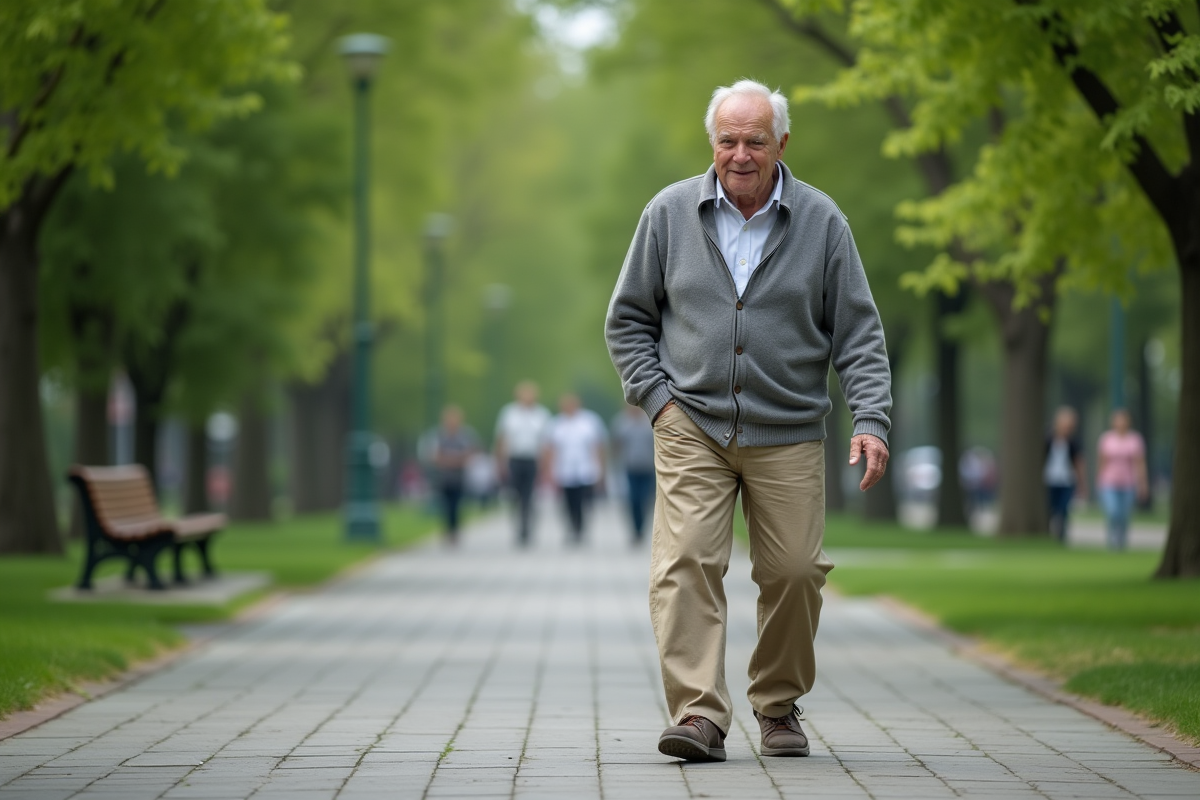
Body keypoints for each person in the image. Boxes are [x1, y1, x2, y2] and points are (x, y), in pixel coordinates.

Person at [605, 79, 891, 763]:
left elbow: (858, 333)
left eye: (754, 140)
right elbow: (628, 321)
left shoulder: (823, 223)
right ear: (713, 142)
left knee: (795, 571)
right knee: (684, 565)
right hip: (692, 425)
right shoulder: (669, 214)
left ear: (781, 144)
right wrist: (660, 403)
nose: (740, 153)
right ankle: (699, 714)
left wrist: (871, 419)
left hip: (789, 429)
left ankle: (777, 701)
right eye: (728, 139)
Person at [541, 393, 607, 544]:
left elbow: (598, 446)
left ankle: (581, 528)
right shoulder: (556, 424)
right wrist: (548, 470)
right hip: (564, 470)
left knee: (583, 501)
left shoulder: (590, 421)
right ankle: (572, 527)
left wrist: (601, 468)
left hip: (586, 470)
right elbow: (549, 449)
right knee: (568, 502)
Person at [494, 381, 551, 546]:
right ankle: (518, 526)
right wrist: (499, 462)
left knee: (529, 496)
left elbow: (546, 443)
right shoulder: (508, 413)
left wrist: (546, 466)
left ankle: (526, 529)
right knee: (514, 496)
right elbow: (501, 439)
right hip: (514, 459)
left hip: (533, 460)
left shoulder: (541, 414)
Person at [1096, 408, 1149, 550]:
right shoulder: (1106, 439)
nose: (1120, 423)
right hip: (1109, 481)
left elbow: (1140, 463)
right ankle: (1112, 541)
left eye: (1123, 420)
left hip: (1128, 482)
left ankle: (1121, 542)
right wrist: (1099, 481)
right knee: (1113, 512)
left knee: (1124, 515)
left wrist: (1143, 483)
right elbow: (1101, 462)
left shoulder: (1135, 439)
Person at [431, 405, 479, 546]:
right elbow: (435, 456)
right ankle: (448, 530)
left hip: (460, 477)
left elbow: (470, 454)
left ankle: (455, 530)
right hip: (444, 477)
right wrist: (455, 460)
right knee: (445, 506)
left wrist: (450, 460)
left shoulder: (466, 435)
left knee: (457, 505)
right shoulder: (439, 435)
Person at [611, 403, 656, 545]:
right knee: (633, 500)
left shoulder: (649, 422)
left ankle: (642, 528)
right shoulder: (622, 422)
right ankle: (636, 530)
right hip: (630, 468)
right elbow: (616, 444)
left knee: (645, 499)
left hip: (648, 468)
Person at [1042, 407, 1087, 543]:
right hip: (1049, 479)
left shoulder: (1073, 442)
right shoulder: (1048, 439)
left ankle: (1061, 536)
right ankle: (1049, 534)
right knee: (1050, 508)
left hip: (1067, 480)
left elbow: (1079, 463)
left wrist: (1082, 483)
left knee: (1063, 509)